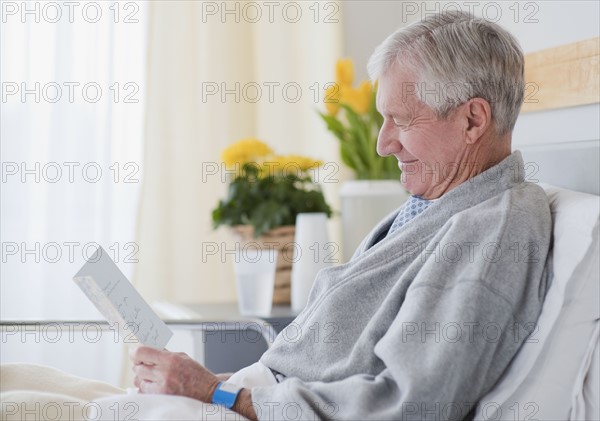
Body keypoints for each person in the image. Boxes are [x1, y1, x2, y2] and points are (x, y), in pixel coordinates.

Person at [129, 10, 553, 421]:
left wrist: (218, 394)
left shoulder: (494, 230)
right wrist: (206, 385)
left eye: (400, 121)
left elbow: (407, 403)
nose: (383, 145)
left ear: (472, 120)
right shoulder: (436, 204)